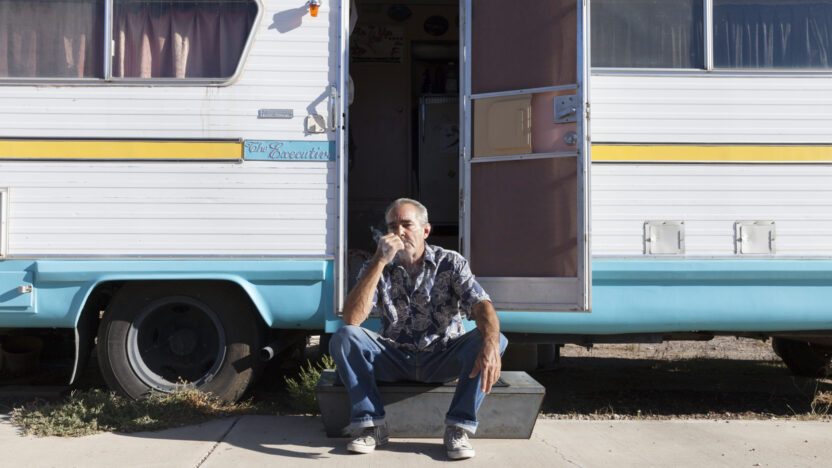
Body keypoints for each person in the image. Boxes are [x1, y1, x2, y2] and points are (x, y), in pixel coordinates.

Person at [329, 198, 508, 460]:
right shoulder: (376, 265)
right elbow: (352, 318)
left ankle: (457, 428)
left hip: (442, 357)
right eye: (392, 227)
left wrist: (491, 344)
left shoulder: (450, 262)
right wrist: (378, 261)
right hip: (395, 357)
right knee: (346, 337)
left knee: (494, 338)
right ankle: (371, 427)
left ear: (425, 230)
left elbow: (482, 306)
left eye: (406, 225)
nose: (399, 232)